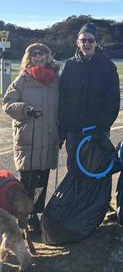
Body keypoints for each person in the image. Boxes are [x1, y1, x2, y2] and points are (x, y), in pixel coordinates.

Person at [2, 43, 60, 233]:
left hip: (48, 136)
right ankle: (23, 220)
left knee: (42, 180)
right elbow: (8, 103)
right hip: (28, 137)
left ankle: (36, 214)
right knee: (27, 181)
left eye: (42, 53)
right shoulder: (22, 80)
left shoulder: (55, 80)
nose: (38, 57)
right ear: (29, 58)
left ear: (47, 56)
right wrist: (25, 110)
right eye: (34, 54)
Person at [58, 23, 120, 175]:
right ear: (78, 43)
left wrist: (101, 126)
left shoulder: (108, 66)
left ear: (96, 42)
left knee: (97, 170)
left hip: (97, 131)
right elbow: (62, 98)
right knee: (74, 172)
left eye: (90, 40)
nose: (87, 44)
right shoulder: (69, 65)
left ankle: (99, 200)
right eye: (83, 40)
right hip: (74, 131)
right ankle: (76, 200)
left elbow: (112, 101)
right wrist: (62, 129)